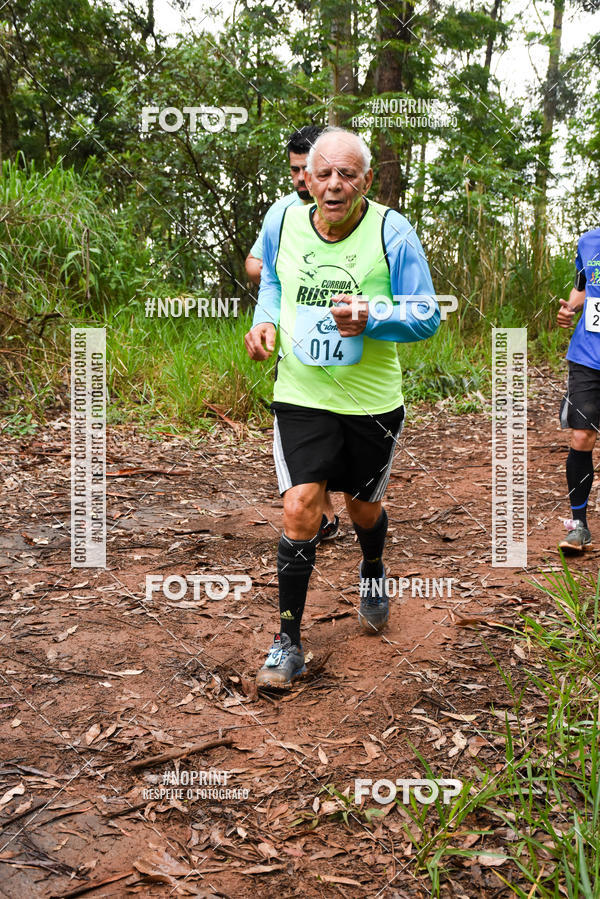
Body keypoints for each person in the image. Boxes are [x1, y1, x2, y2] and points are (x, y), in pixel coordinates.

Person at [244, 126, 440, 687]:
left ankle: (372, 569)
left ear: (366, 180)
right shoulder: (281, 219)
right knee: (301, 505)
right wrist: (264, 321)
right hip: (302, 393)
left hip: (372, 401)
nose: (333, 185)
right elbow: (275, 285)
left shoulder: (392, 232)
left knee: (362, 510)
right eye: (322, 173)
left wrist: (372, 316)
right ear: (306, 176)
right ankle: (287, 640)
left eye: (346, 174)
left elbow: (427, 314)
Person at [246, 124, 339, 541]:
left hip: (351, 352)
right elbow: (259, 269)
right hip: (297, 351)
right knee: (303, 444)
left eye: (309, 169)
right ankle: (318, 517)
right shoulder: (280, 214)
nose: (302, 179)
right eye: (294, 170)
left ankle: (356, 518)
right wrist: (267, 312)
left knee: (346, 451)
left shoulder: (354, 209)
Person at [557, 228, 600, 552]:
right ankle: (578, 526)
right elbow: (582, 288)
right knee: (581, 436)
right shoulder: (588, 241)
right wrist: (569, 310)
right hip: (587, 355)